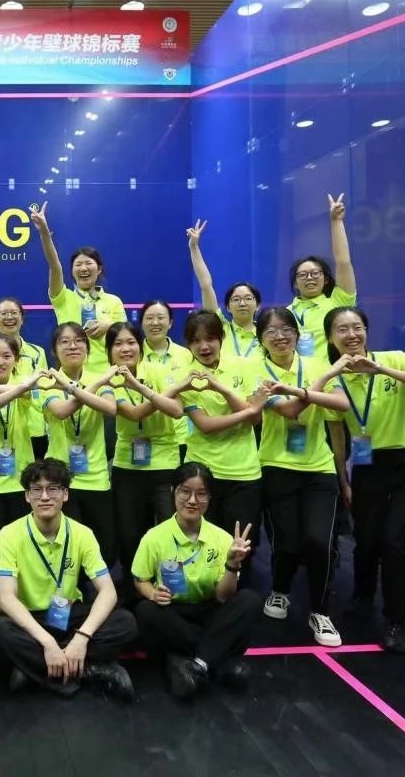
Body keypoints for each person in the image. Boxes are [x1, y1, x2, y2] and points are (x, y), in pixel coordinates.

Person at [325, 307, 405, 653]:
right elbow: (337, 438)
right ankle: (363, 598)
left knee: (394, 544)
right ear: (330, 337)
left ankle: (395, 622)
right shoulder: (333, 380)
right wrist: (344, 480)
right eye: (342, 330)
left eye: (357, 327)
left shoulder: (395, 359)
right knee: (366, 540)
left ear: (366, 330)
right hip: (367, 466)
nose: (351, 335)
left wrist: (381, 369)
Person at [0, 458, 137, 700]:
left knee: (125, 623)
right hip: (32, 619)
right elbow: (7, 599)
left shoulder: (83, 534)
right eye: (36, 490)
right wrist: (48, 642)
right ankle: (88, 670)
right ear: (27, 496)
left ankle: (35, 669)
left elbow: (108, 592)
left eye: (53, 489)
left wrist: (81, 638)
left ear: (65, 494)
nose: (44, 497)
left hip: (69, 615)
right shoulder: (9, 534)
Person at [249, 308, 351, 647]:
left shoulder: (318, 363)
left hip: (319, 469)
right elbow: (291, 410)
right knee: (287, 542)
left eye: (286, 329)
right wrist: (317, 386)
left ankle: (320, 611)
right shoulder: (256, 371)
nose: (279, 336)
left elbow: (341, 405)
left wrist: (308, 386)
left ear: (296, 333)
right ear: (261, 340)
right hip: (276, 467)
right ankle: (280, 591)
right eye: (271, 332)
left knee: (319, 542)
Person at [132, 462, 259, 699]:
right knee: (145, 611)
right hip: (173, 613)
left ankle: (193, 663)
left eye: (201, 494)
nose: (192, 500)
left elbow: (223, 596)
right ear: (173, 492)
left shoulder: (222, 538)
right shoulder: (154, 537)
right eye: (185, 492)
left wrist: (232, 564)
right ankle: (217, 659)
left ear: (209, 498)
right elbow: (140, 581)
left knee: (249, 600)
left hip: (209, 612)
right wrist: (153, 594)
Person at [175, 310, 268, 574]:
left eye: (210, 338)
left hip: (244, 472)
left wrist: (222, 388)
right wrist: (248, 411)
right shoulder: (186, 376)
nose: (204, 346)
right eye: (196, 341)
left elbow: (255, 419)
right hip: (203, 472)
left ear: (221, 338)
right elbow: (206, 426)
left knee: (243, 543)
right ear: (188, 344)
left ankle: (238, 592)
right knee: (202, 541)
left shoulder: (245, 365)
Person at [105, 322, 187, 586]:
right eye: (118, 344)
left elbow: (176, 411)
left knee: (168, 529)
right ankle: (134, 588)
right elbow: (133, 413)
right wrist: (160, 396)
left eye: (131, 342)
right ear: (109, 351)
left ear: (140, 346)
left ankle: (170, 585)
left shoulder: (159, 371)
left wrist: (141, 388)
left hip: (164, 463)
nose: (125, 349)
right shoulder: (108, 380)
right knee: (130, 534)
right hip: (127, 465)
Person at [38, 323, 119, 565]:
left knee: (106, 547)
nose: (72, 346)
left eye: (78, 341)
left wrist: (77, 388)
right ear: (54, 350)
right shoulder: (48, 381)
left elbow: (110, 409)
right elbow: (62, 411)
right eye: (64, 342)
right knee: (67, 547)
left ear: (87, 347)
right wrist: (88, 386)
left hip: (96, 476)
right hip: (61, 477)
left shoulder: (99, 379)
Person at [0, 335, 45, 570]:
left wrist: (24, 386)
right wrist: (23, 386)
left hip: (21, 481)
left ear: (16, 360)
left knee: (23, 549)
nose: (0, 362)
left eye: (6, 356)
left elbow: (23, 391)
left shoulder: (24, 386)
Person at [31, 202, 125, 375]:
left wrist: (110, 326)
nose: (83, 268)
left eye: (88, 263)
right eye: (78, 265)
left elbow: (126, 337)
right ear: (72, 271)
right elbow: (54, 265)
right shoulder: (63, 298)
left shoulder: (114, 301)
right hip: (72, 376)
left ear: (99, 269)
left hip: (108, 375)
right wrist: (44, 232)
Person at [0, 253, 49, 459]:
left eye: (14, 313)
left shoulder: (37, 352)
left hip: (34, 427)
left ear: (22, 319)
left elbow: (40, 391)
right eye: (2, 314)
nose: (9, 317)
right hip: (0, 423)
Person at [288, 193, 357, 357]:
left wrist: (336, 221)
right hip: (298, 374)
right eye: (303, 275)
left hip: (335, 373)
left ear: (325, 279)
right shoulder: (286, 314)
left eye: (315, 273)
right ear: (295, 282)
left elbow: (343, 262)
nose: (309, 278)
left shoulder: (339, 302)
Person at [186, 219, 262, 359]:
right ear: (227, 307)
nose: (242, 303)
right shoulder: (219, 328)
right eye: (236, 299)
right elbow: (206, 285)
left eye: (248, 298)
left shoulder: (266, 333)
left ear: (258, 305)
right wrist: (194, 247)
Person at [138, 299, 194, 370]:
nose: (155, 323)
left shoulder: (186, 354)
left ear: (170, 323)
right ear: (142, 325)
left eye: (160, 318)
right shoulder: (134, 355)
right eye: (149, 318)